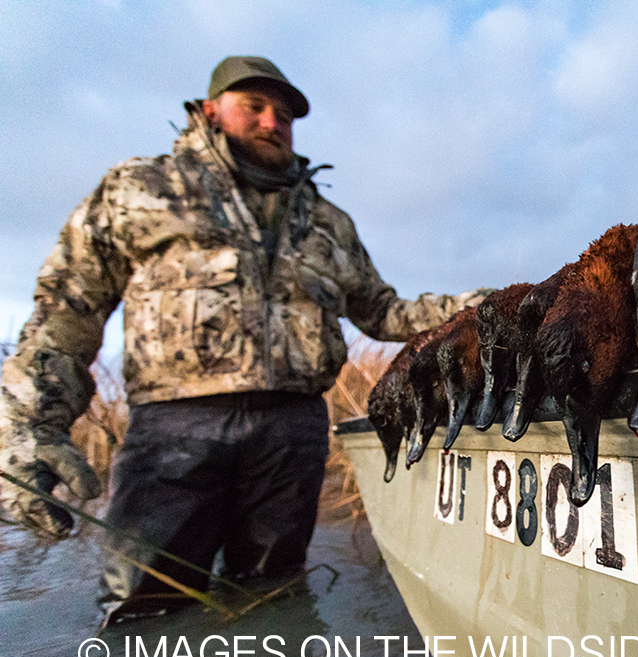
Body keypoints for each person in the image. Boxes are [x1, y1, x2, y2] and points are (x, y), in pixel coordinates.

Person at [0, 56, 489, 623]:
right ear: (209, 111)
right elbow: (68, 308)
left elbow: (382, 311)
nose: (271, 122)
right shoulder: (140, 187)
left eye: (283, 114)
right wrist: (28, 426)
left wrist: (484, 306)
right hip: (173, 432)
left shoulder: (327, 221)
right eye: (253, 107)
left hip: (292, 435)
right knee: (144, 608)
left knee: (276, 601)